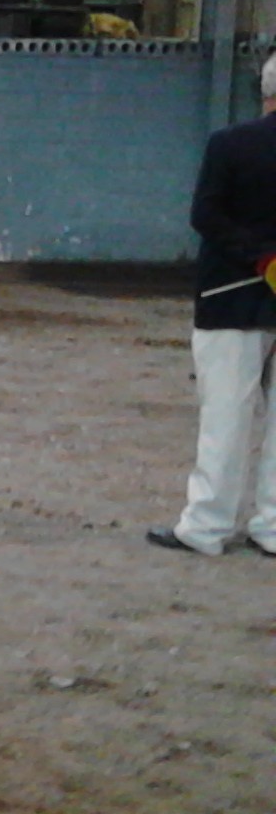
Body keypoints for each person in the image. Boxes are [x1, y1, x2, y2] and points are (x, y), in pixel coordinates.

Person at [148, 51, 276, 558]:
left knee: (226, 415)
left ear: (265, 91)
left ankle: (206, 526)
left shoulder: (230, 144)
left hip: (233, 295)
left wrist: (262, 257)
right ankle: (272, 528)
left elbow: (206, 214)